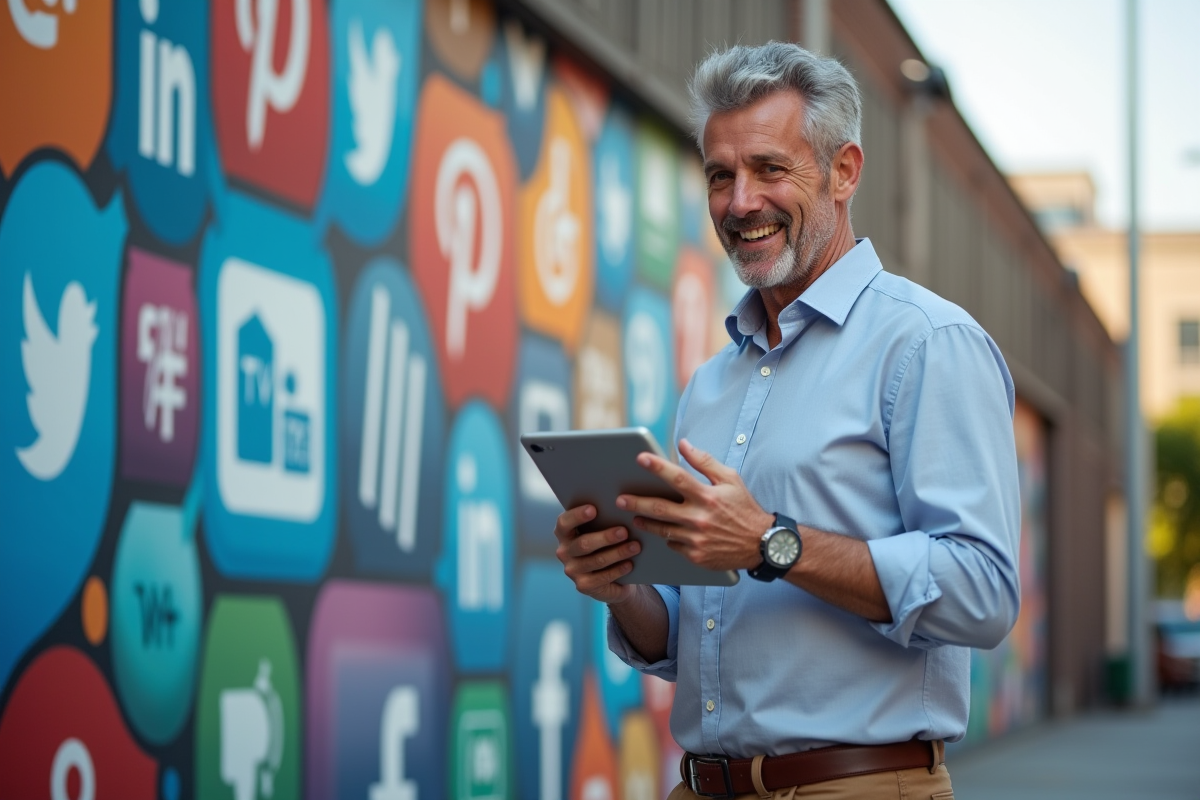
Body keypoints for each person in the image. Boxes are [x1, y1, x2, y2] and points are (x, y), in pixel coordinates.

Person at [553, 41, 1021, 799]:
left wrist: (774, 542)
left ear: (844, 172)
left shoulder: (927, 343)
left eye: (771, 168)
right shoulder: (710, 383)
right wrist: (620, 585)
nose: (741, 203)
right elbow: (685, 634)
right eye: (720, 175)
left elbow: (983, 592)